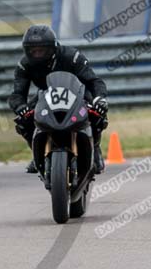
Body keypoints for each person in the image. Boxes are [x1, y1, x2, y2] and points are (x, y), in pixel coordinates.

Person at [8, 25, 108, 174]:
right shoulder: (24, 65)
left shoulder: (71, 56)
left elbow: (94, 81)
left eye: (42, 50)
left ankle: (95, 148)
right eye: (33, 50)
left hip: (76, 93)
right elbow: (17, 95)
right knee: (23, 120)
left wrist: (99, 98)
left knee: (97, 112)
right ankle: (38, 153)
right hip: (45, 96)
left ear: (53, 48)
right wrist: (21, 107)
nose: (37, 54)